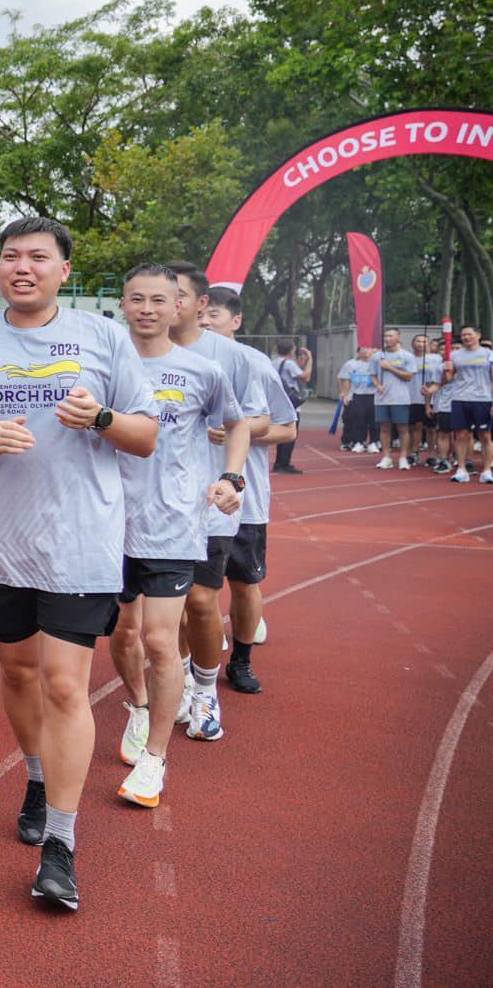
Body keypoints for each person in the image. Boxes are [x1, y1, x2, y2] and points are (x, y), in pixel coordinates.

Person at [0, 217, 156, 912]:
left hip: (80, 540)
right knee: (19, 672)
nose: (22, 266)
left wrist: (104, 419)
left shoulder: (103, 336)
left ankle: (61, 843)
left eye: (37, 257)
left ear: (63, 269)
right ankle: (33, 772)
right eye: (10, 256)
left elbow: (145, 433)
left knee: (64, 684)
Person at [108, 265, 245, 809]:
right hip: (107, 523)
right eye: (136, 298)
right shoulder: (102, 367)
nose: (146, 308)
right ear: (123, 304)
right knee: (122, 635)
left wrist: (231, 478)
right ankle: (139, 709)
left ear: (179, 306)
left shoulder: (201, 370)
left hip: (171, 524)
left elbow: (236, 422)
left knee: (162, 641)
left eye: (158, 300)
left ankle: (155, 760)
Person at [167, 262, 267, 734]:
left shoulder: (231, 358)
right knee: (161, 612)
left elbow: (252, 422)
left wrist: (233, 476)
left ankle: (205, 692)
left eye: (179, 295)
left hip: (210, 503)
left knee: (202, 602)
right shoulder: (132, 352)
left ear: (202, 303)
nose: (168, 304)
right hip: (153, 506)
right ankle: (179, 679)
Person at [202, 288, 298, 698]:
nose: (206, 321)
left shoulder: (255, 365)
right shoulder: (174, 361)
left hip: (245, 498)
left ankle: (240, 660)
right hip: (190, 497)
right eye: (201, 313)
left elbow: (287, 428)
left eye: (216, 315)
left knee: (243, 584)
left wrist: (239, 432)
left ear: (236, 321)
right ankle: (190, 668)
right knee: (194, 594)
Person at [448, 325, 491, 482]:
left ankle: (486, 471)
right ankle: (461, 469)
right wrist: (446, 371)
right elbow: (448, 379)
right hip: (460, 398)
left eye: (470, 334)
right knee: (461, 435)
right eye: (464, 335)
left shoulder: (488, 354)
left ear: (478, 335)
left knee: (485, 436)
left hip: (483, 399)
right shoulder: (454, 355)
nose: (466, 337)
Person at [374, 329, 419, 468]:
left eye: (390, 336)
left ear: (398, 337)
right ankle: (386, 457)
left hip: (400, 397)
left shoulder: (406, 356)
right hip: (381, 398)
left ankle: (403, 457)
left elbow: (409, 376)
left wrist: (390, 367)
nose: (387, 338)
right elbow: (372, 374)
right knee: (384, 428)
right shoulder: (377, 356)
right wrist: (377, 385)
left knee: (403, 429)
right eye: (385, 336)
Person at [271, 339, 311, 474]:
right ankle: (284, 463)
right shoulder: (288, 363)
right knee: (291, 433)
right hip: (290, 402)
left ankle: (279, 461)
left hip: (278, 401)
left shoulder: (274, 362)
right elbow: (306, 377)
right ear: (291, 350)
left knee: (281, 432)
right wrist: (310, 359)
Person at [337, 345, 378, 452]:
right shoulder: (351, 364)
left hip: (374, 395)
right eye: (362, 349)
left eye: (368, 348)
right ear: (358, 351)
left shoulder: (377, 364)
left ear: (372, 351)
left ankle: (373, 442)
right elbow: (346, 380)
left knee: (374, 421)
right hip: (357, 395)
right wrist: (345, 395)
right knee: (358, 420)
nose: (365, 351)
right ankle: (359, 442)